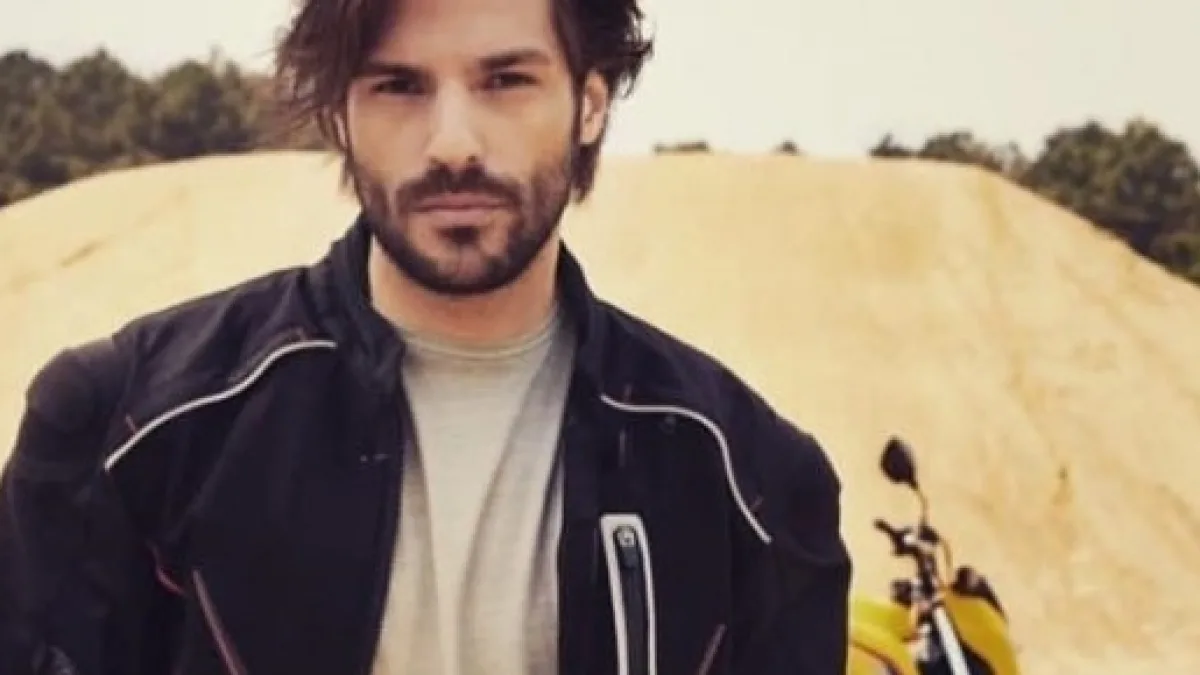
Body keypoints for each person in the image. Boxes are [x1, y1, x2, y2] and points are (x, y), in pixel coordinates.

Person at [0, 0, 853, 672]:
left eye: (506, 80)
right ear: (341, 115)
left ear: (589, 104)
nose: (452, 144)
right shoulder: (130, 429)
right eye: (399, 86)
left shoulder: (750, 484)